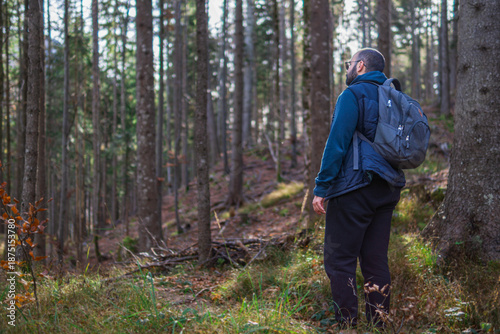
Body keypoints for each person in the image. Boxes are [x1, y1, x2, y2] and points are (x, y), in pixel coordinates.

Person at [312, 48, 405, 329]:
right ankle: (379, 326)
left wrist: (322, 186)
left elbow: (337, 143)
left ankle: (347, 326)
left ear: (360, 65)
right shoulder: (394, 97)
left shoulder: (352, 95)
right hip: (387, 189)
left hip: (354, 188)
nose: (347, 68)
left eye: (349, 63)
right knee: (376, 261)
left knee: (340, 261)